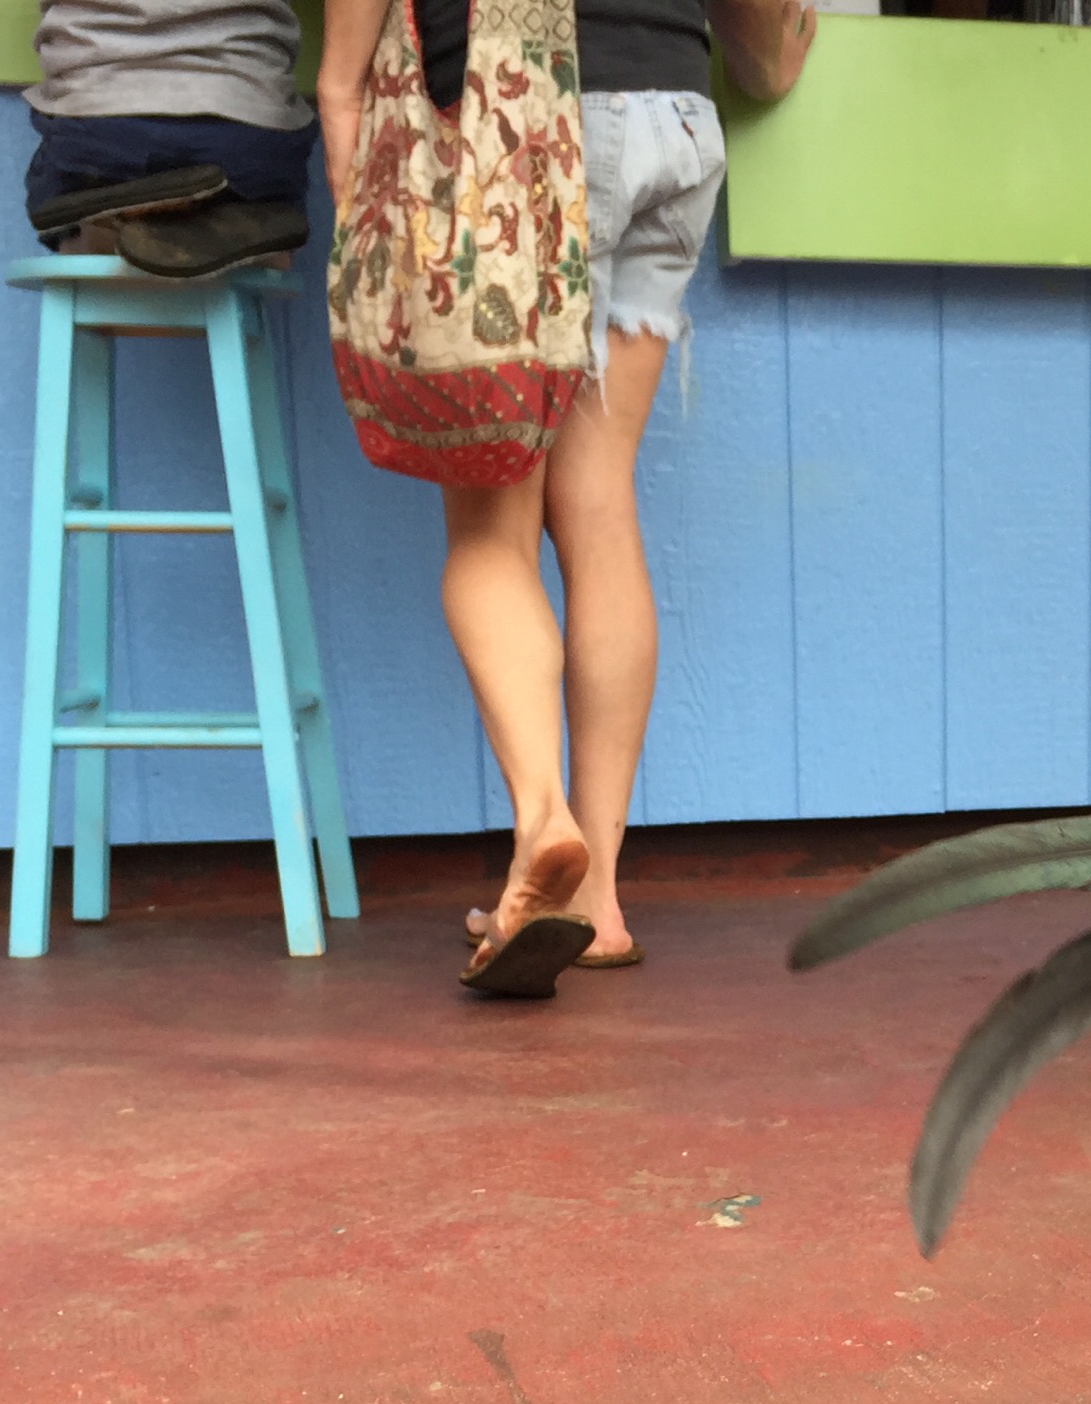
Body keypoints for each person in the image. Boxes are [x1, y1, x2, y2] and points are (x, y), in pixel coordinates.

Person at [319, 0, 816, 989]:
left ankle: (545, 825)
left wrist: (340, 107)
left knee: (490, 529)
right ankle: (600, 898)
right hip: (673, 120)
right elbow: (766, 41)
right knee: (597, 501)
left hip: (524, 122)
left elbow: (349, 57)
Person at [25, 0, 318, 278]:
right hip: (247, 134)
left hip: (101, 133)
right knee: (278, 203)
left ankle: (124, 211)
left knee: (52, 198)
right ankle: (238, 221)